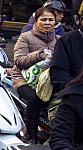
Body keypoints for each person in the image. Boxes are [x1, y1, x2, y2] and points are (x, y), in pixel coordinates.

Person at [10, 7, 59, 142]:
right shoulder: (25, 37)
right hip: (23, 79)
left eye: (51, 20)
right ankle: (31, 134)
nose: (47, 22)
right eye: (43, 19)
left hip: (49, 80)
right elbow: (19, 61)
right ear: (36, 21)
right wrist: (39, 55)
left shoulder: (60, 40)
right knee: (34, 99)